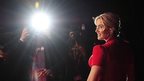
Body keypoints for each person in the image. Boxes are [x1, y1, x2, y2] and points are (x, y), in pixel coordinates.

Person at [87, 12, 135, 81]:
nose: (96, 30)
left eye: (100, 27)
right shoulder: (127, 47)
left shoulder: (100, 49)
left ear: (111, 29)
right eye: (96, 27)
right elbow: (131, 77)